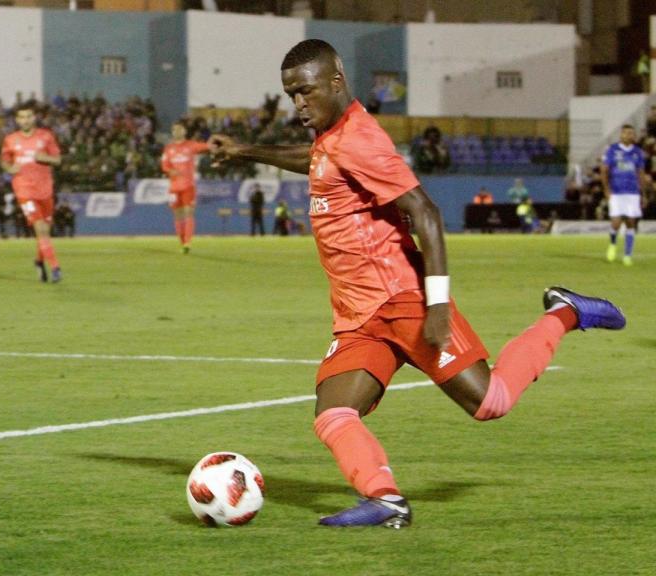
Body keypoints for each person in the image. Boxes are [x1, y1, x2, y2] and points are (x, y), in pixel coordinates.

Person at [208, 38, 626, 528]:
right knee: (333, 413)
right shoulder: (331, 136)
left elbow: (424, 210)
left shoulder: (360, 137)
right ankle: (386, 501)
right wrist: (245, 150)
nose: (298, 103)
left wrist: (438, 303)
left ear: (336, 82)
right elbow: (319, 161)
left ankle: (565, 312)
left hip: (403, 298)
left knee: (491, 402)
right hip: (359, 316)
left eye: (306, 91)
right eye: (290, 94)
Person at [0, 102, 63, 282]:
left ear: (34, 118)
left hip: (45, 189)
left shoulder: (46, 137)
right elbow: (4, 160)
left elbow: (58, 160)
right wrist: (10, 169)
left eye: (29, 116)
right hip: (24, 190)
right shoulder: (11, 139)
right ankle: (55, 267)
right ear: (17, 120)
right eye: (22, 117)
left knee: (45, 231)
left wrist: (46, 158)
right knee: (41, 228)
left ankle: (39, 261)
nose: (25, 120)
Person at [161, 121, 210, 254]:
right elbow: (164, 165)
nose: (176, 131)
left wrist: (215, 144)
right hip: (174, 187)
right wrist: (170, 171)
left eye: (179, 129)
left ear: (184, 131)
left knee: (188, 212)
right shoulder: (168, 149)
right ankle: (182, 242)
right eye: (174, 129)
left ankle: (187, 242)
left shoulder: (190, 146)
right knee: (177, 215)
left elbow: (205, 146)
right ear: (172, 132)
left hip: (188, 185)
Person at [601, 125, 645, 266]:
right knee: (616, 223)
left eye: (631, 133)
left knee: (631, 222)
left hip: (632, 192)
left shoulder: (638, 152)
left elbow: (641, 173)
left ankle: (627, 255)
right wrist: (606, 189)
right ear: (621, 135)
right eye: (626, 133)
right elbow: (604, 171)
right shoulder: (612, 150)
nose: (629, 135)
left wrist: (642, 193)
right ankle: (613, 244)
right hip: (616, 191)